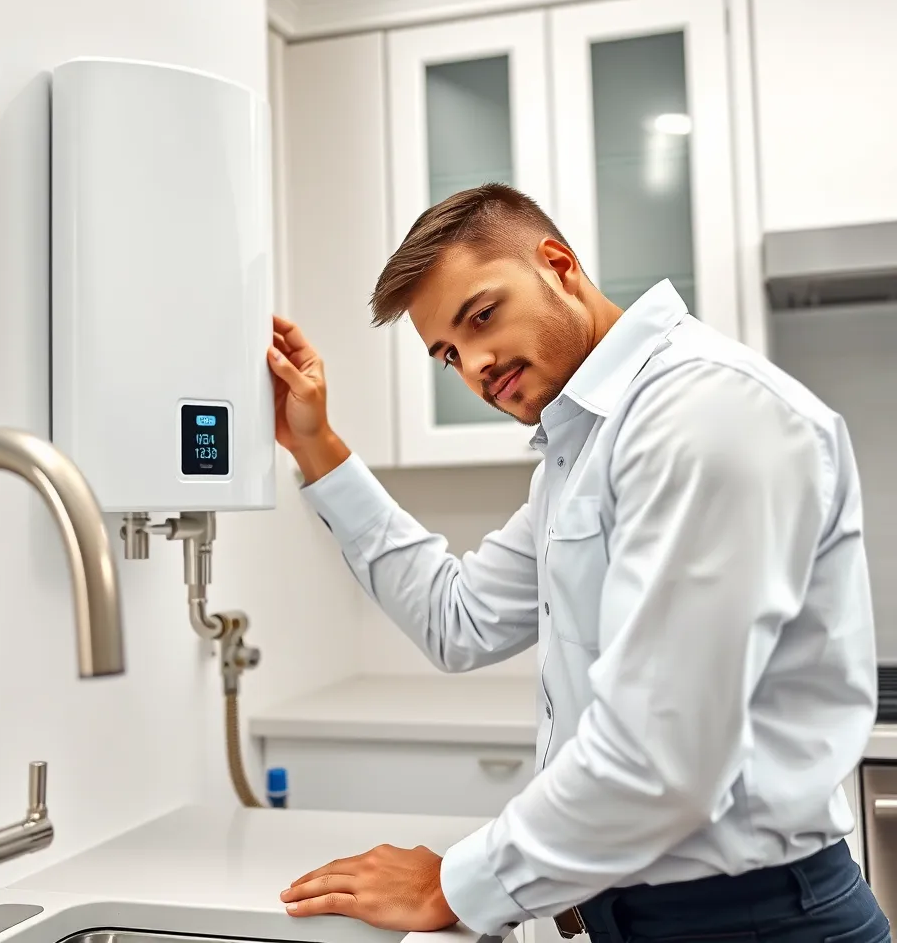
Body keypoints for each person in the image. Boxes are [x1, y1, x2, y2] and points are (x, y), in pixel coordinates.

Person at [266, 183, 888, 943]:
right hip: (651, 918)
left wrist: (453, 884)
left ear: (558, 265)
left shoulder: (703, 413)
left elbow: (663, 759)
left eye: (482, 315)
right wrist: (313, 445)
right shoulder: (585, 448)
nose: (476, 366)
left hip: (755, 922)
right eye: (449, 354)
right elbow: (456, 619)